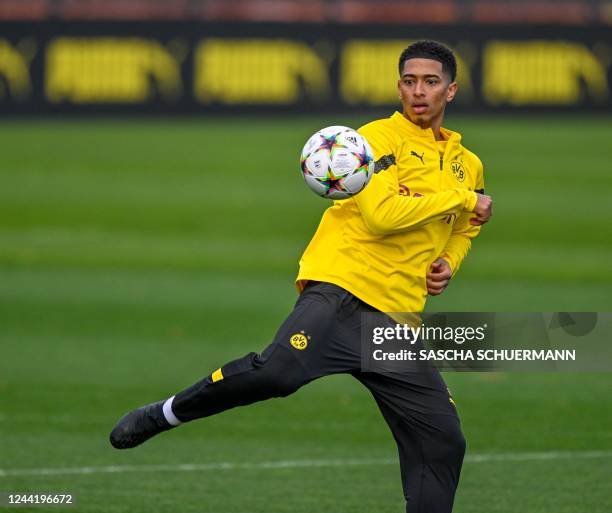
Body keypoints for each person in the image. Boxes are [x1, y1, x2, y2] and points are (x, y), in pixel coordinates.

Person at [110, 40, 492, 513]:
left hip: (396, 321)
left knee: (443, 443)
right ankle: (166, 414)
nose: (419, 91)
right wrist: (460, 200)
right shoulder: (373, 141)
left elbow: (467, 227)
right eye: (410, 81)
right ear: (398, 86)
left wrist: (449, 262)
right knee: (277, 374)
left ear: (450, 91)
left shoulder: (466, 165)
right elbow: (383, 216)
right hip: (342, 291)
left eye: (430, 82)